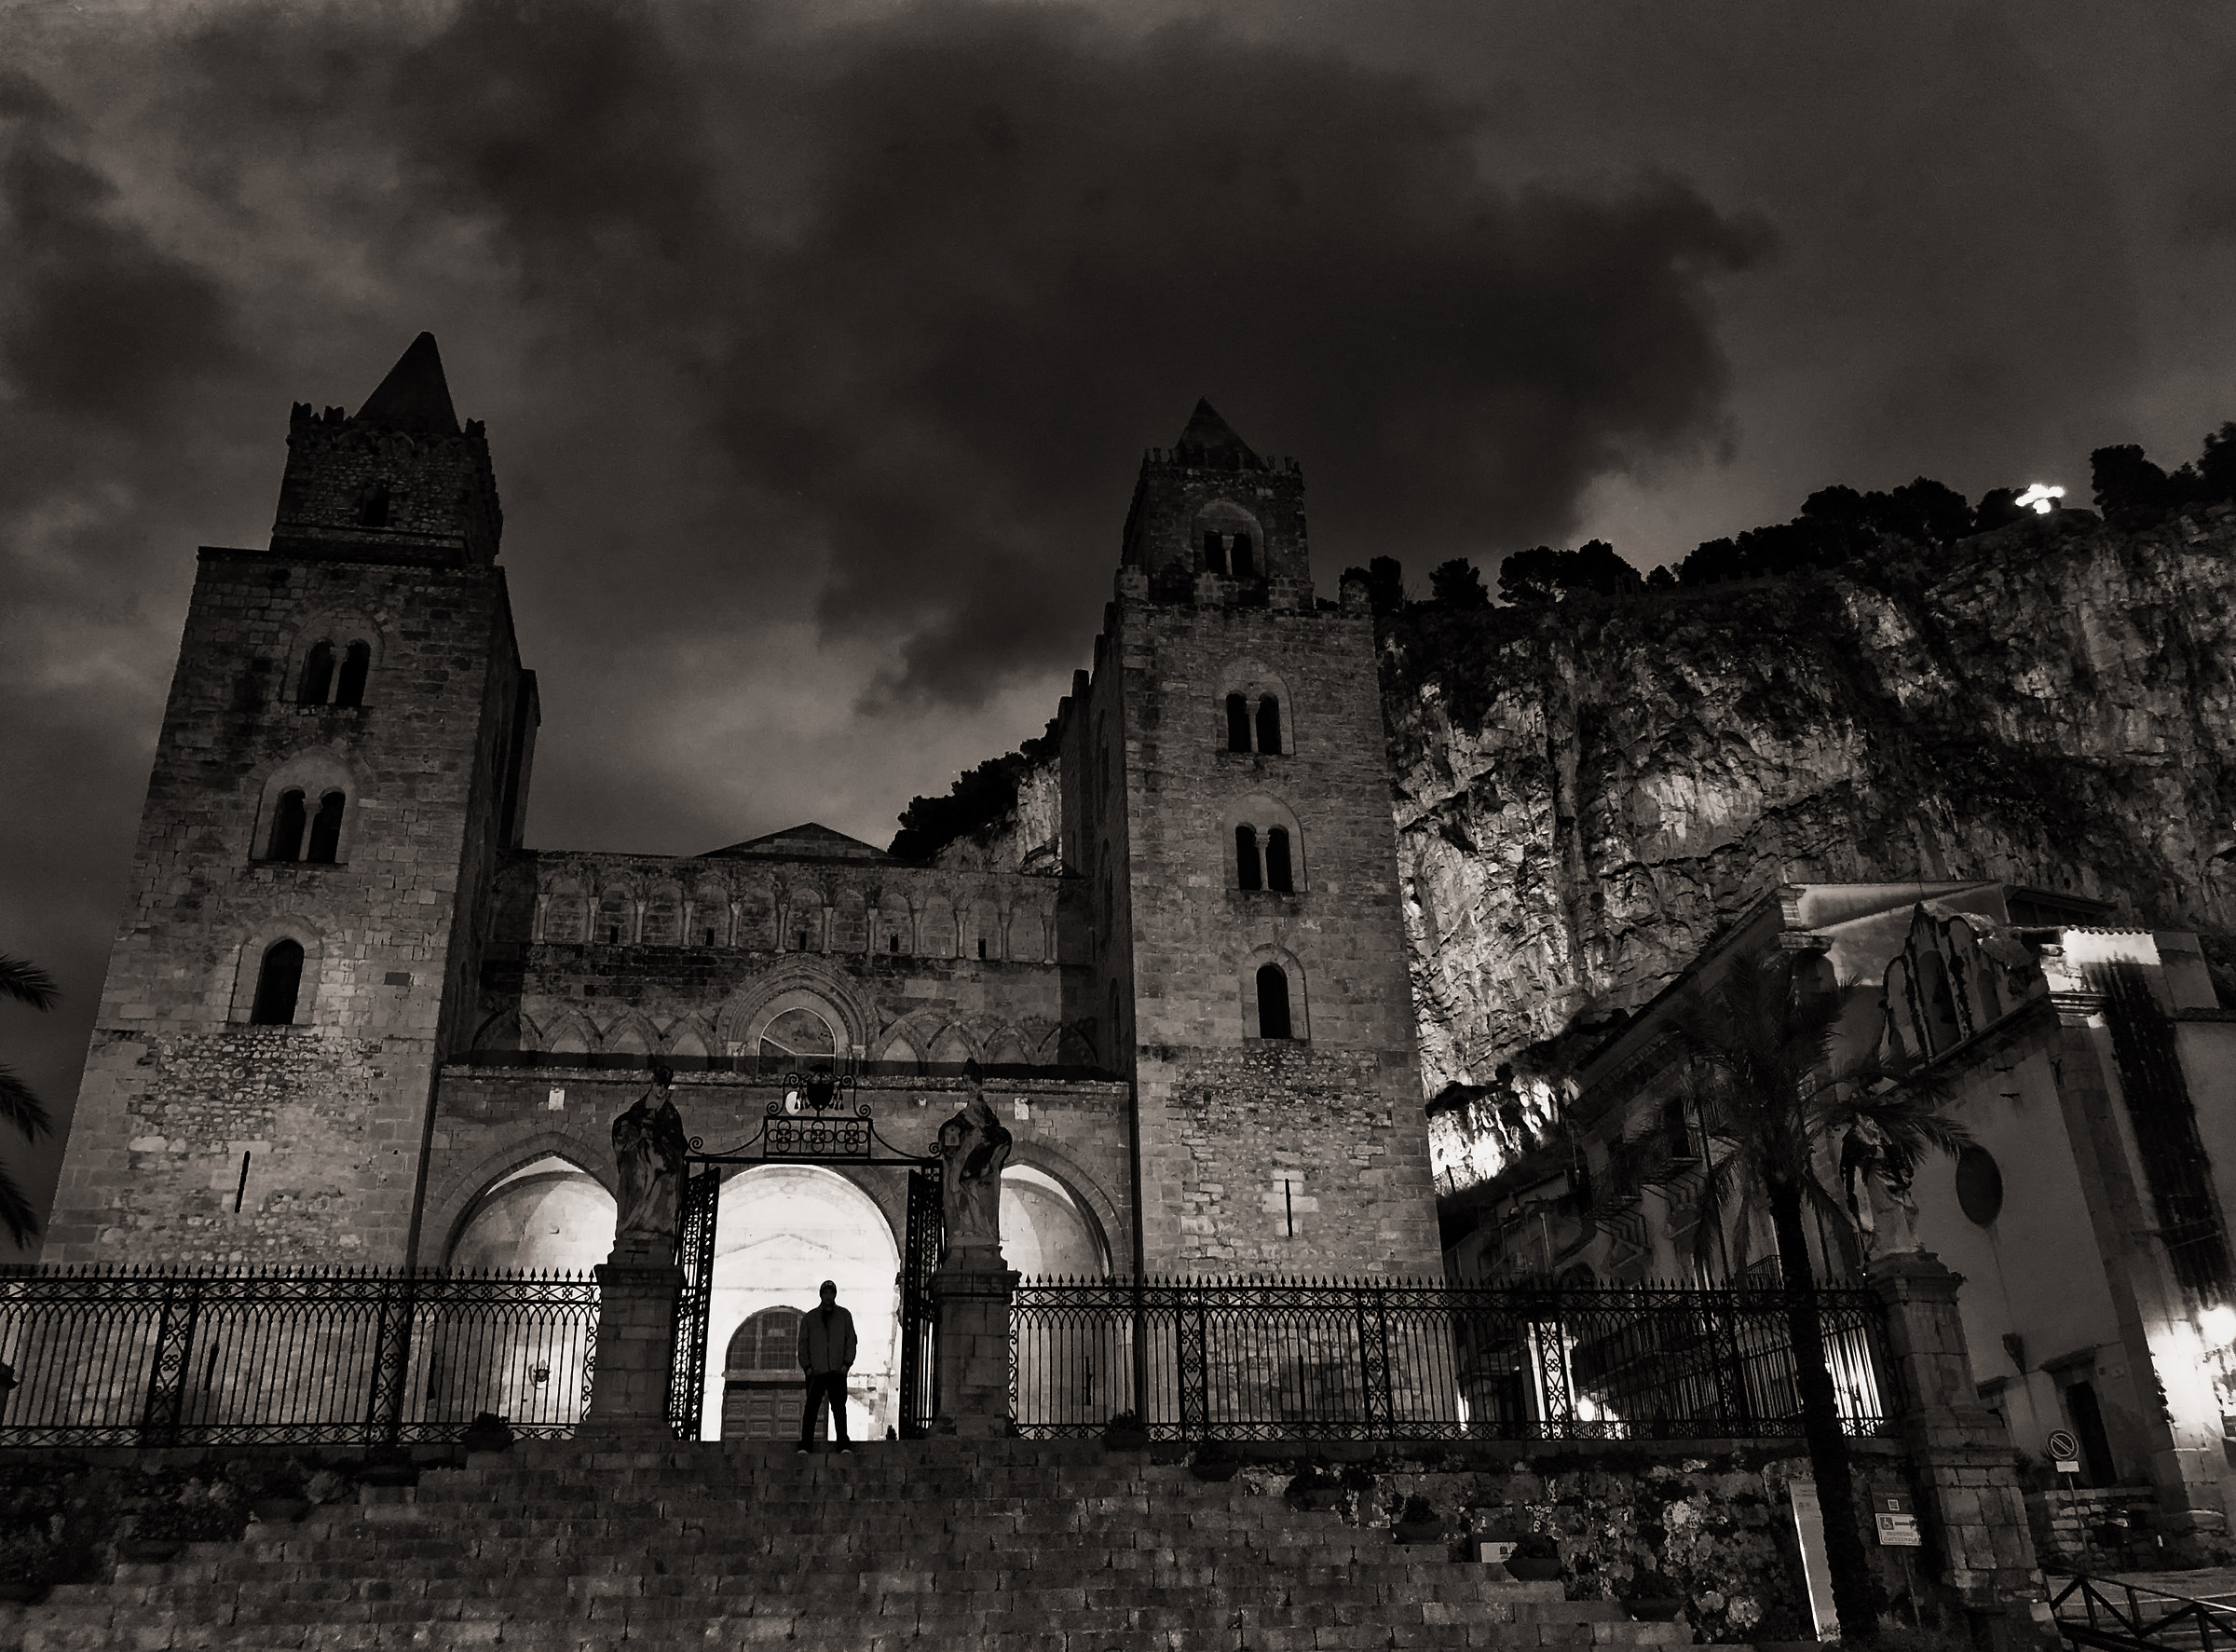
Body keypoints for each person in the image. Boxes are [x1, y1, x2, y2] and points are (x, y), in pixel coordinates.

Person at [797, 1278, 857, 1454]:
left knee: (839, 1408)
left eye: (831, 1292)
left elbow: (851, 1340)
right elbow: (803, 1343)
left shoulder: (844, 1316)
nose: (828, 1296)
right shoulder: (810, 1318)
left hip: (837, 1370)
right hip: (816, 1370)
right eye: (826, 1293)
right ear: (821, 1295)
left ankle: (843, 1444)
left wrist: (846, 1364)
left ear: (835, 1294)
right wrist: (807, 1366)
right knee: (811, 1409)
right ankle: (806, 1444)